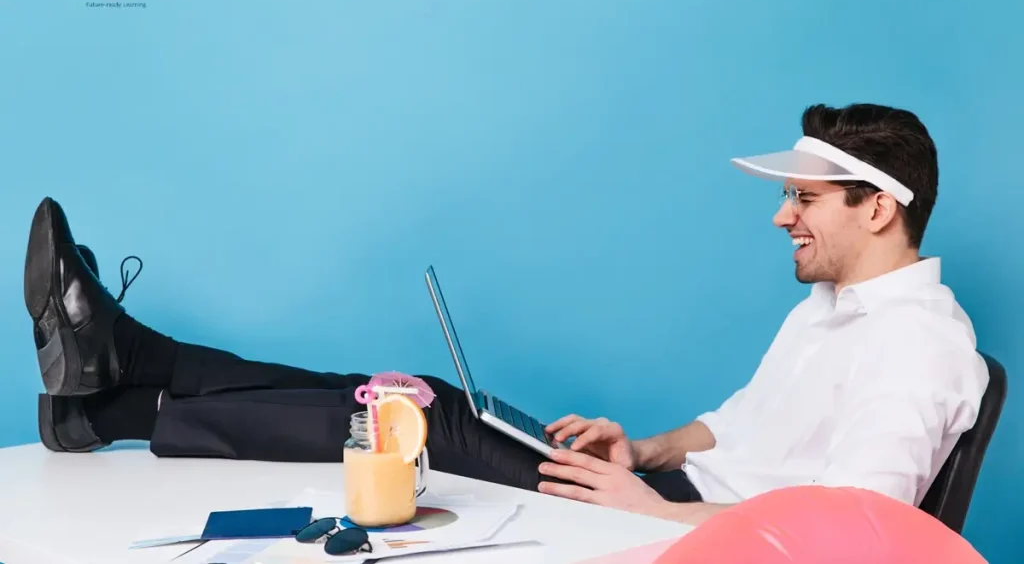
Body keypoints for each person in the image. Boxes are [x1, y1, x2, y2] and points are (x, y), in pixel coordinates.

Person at [24, 102, 989, 527]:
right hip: (683, 501)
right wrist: (641, 452)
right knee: (427, 401)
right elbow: (741, 428)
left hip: (701, 536)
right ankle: (113, 393)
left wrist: (657, 516)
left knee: (424, 414)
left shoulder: (920, 346)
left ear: (879, 205)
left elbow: (858, 535)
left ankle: (120, 391)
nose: (782, 216)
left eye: (806, 201)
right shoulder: (835, 308)